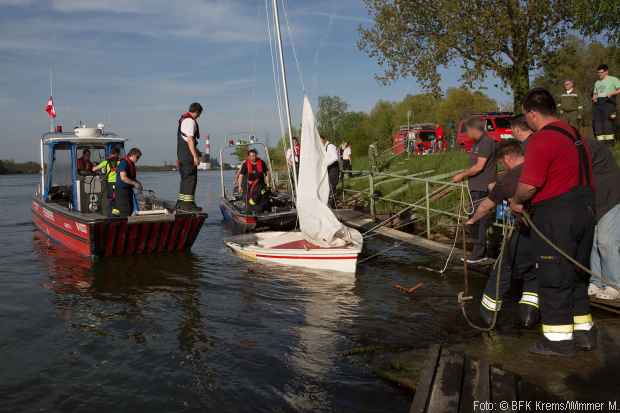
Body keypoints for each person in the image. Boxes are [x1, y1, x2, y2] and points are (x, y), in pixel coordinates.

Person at [511, 87, 595, 357]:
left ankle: (558, 342)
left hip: (557, 214)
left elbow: (529, 185)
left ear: (532, 113)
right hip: (586, 209)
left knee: (554, 277)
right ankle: (584, 334)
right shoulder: (574, 134)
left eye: (527, 116)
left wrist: (516, 201)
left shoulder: (541, 139)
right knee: (578, 274)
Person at [466, 139, 539, 328]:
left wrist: (472, 220)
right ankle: (529, 316)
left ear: (507, 157)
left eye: (502, 162)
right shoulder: (538, 166)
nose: (503, 166)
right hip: (549, 230)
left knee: (502, 270)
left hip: (526, 229)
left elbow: (486, 205)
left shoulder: (512, 176)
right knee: (533, 272)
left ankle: (487, 316)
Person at [452, 117, 497, 263]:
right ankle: (477, 251)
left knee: (478, 221)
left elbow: (479, 166)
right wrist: (465, 174)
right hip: (475, 187)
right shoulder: (478, 143)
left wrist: (462, 175)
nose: (466, 134)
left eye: (467, 131)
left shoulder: (485, 143)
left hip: (482, 188)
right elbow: (475, 165)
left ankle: (479, 254)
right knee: (474, 220)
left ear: (473, 129)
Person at [587, 137, 620, 300]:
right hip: (592, 200)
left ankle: (614, 284)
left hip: (609, 198)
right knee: (592, 242)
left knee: (606, 242)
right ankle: (596, 280)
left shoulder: (586, 146)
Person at [177, 102, 203, 212]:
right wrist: (195, 156)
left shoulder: (184, 120)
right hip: (188, 156)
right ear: (197, 112)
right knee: (190, 179)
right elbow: (190, 139)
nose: (199, 116)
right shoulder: (189, 121)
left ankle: (182, 203)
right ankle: (188, 205)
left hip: (182, 155)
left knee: (185, 179)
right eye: (199, 114)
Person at [592, 64, 620, 145]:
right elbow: (595, 93)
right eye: (598, 73)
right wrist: (594, 97)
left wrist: (612, 93)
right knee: (598, 122)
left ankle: (610, 143)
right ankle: (600, 143)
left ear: (606, 72)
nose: (599, 74)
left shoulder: (613, 79)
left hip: (609, 102)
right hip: (598, 103)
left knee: (607, 122)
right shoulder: (597, 82)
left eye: (601, 72)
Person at [114, 147, 143, 218]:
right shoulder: (124, 163)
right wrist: (135, 183)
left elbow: (131, 178)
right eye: (137, 157)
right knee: (125, 210)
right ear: (132, 155)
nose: (138, 159)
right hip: (122, 191)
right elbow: (123, 178)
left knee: (130, 208)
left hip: (128, 191)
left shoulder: (131, 164)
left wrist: (138, 183)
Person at [92, 146, 121, 216]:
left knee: (109, 199)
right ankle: (116, 214)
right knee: (116, 199)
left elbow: (94, 169)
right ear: (117, 154)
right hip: (118, 183)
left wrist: (96, 167)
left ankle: (109, 214)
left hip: (109, 184)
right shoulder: (120, 162)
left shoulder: (106, 162)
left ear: (111, 154)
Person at [321, 136, 340, 208]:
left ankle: (333, 205)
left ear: (324, 139)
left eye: (321, 140)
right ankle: (332, 204)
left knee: (332, 186)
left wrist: (326, 164)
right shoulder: (325, 148)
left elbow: (335, 158)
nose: (320, 142)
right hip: (330, 168)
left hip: (333, 168)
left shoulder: (330, 146)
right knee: (330, 187)